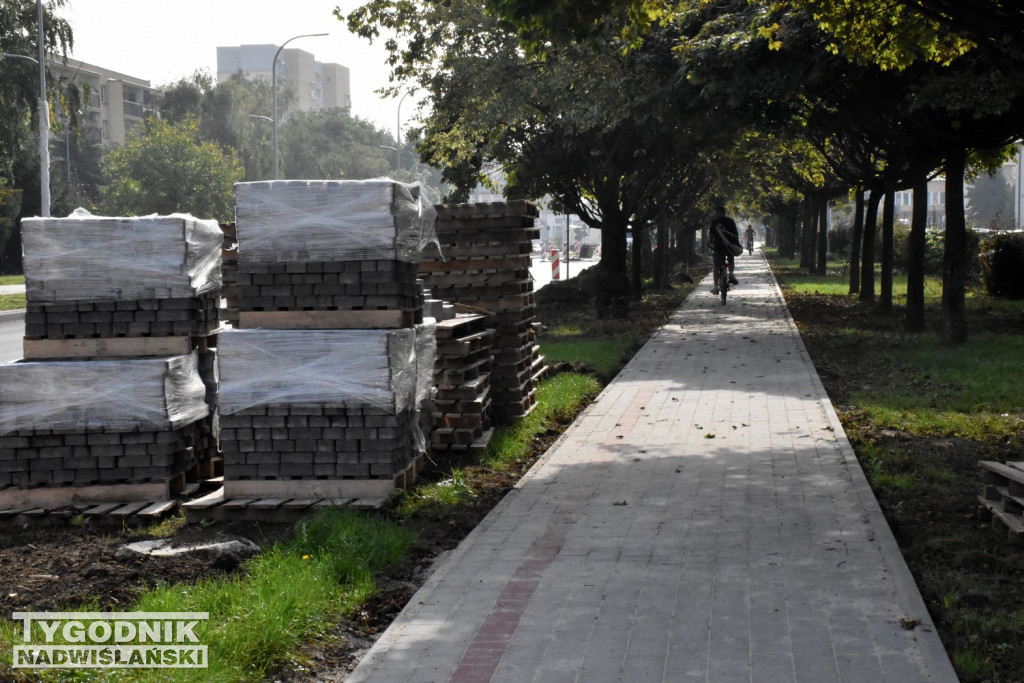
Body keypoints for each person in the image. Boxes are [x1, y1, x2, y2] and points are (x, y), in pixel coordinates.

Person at [709, 205, 740, 294]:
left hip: (718, 246)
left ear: (717, 212)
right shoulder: (730, 221)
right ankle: (731, 273)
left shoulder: (715, 222)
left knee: (716, 266)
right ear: (724, 212)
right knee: (731, 259)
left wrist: (710, 241)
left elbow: (711, 235)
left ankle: (715, 287)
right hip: (729, 246)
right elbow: (735, 234)